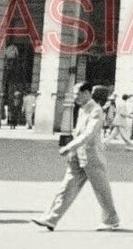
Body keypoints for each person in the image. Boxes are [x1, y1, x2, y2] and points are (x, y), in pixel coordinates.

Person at [33, 83, 121, 232]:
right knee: (66, 187)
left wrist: (69, 147)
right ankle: (51, 218)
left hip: (92, 157)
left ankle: (111, 219)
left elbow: (88, 134)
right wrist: (73, 153)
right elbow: (79, 133)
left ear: (87, 93)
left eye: (77, 95)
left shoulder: (96, 111)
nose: (75, 98)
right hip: (78, 156)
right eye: (74, 95)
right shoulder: (82, 110)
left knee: (101, 191)